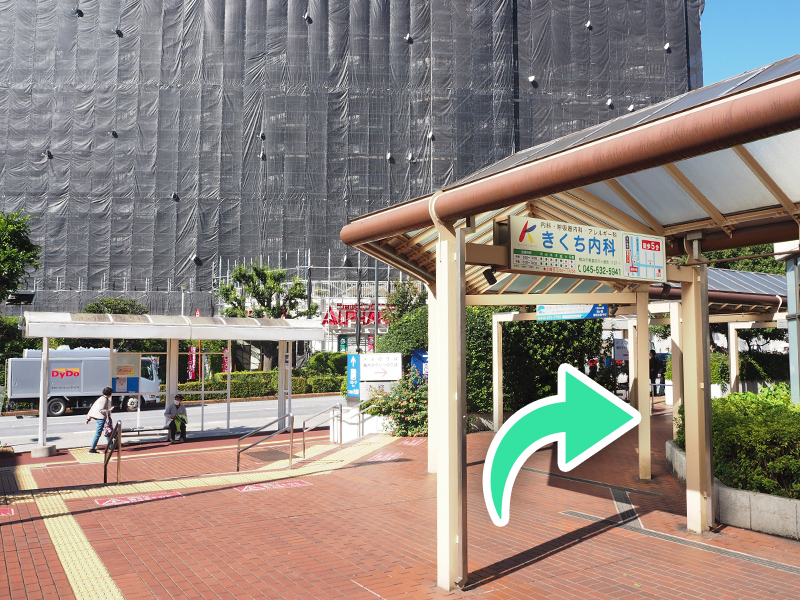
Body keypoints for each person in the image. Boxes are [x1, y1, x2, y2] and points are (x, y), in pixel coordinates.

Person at [86, 386, 114, 453]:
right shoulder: (104, 400)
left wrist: (88, 418)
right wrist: (109, 410)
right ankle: (92, 448)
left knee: (107, 431)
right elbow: (101, 410)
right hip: (101, 418)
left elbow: (93, 408)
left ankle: (112, 446)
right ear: (110, 394)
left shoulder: (100, 398)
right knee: (99, 433)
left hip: (98, 418)